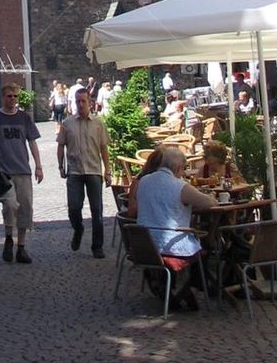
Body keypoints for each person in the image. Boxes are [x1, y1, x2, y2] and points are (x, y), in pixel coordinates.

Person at [127, 146, 216, 311]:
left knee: (199, 240)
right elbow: (208, 203)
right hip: (169, 245)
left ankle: (178, 289)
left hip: (144, 244)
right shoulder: (179, 186)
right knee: (206, 246)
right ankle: (187, 290)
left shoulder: (144, 181)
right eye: (183, 169)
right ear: (177, 168)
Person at [0, 82, 43, 264]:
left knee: (25, 208)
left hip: (23, 169)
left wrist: (38, 165)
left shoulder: (24, 117)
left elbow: (32, 142)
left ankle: (21, 247)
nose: (13, 99)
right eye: (10, 96)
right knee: (9, 205)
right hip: (4, 172)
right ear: (3, 97)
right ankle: (9, 237)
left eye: (16, 96)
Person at [57, 86, 111, 258]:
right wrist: (60, 166)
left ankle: (97, 246)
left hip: (94, 170)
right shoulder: (67, 124)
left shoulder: (98, 123)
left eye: (83, 101)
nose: (80, 104)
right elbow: (60, 145)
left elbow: (103, 148)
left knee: (97, 210)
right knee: (74, 207)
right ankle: (78, 229)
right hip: (75, 172)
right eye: (77, 101)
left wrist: (107, 170)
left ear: (90, 103)